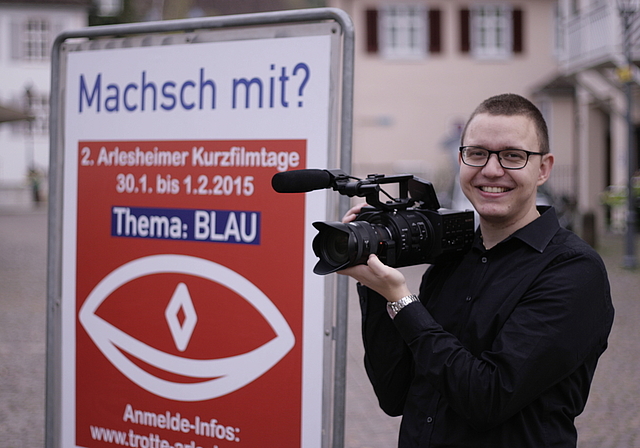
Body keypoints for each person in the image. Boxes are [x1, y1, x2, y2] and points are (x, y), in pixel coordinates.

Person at [340, 93, 614, 447]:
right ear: (461, 160)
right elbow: (394, 395)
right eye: (477, 153)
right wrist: (375, 276)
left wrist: (401, 299)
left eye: (513, 156)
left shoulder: (574, 271)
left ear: (543, 168)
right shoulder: (453, 258)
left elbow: (487, 398)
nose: (491, 170)